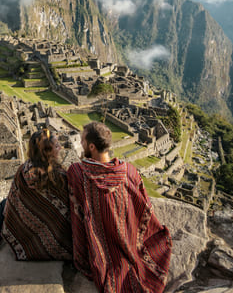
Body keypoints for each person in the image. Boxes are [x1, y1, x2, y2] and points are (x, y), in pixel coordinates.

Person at [67, 121, 172, 293]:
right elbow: (145, 208)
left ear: (91, 146)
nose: (81, 144)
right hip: (131, 240)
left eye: (83, 141)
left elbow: (76, 213)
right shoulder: (129, 171)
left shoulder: (77, 173)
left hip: (102, 253)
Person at [0, 128, 73, 261]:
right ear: (47, 151)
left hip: (22, 231)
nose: (60, 147)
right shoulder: (60, 176)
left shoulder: (24, 170)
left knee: (4, 204)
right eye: (57, 145)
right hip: (55, 237)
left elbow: (14, 198)